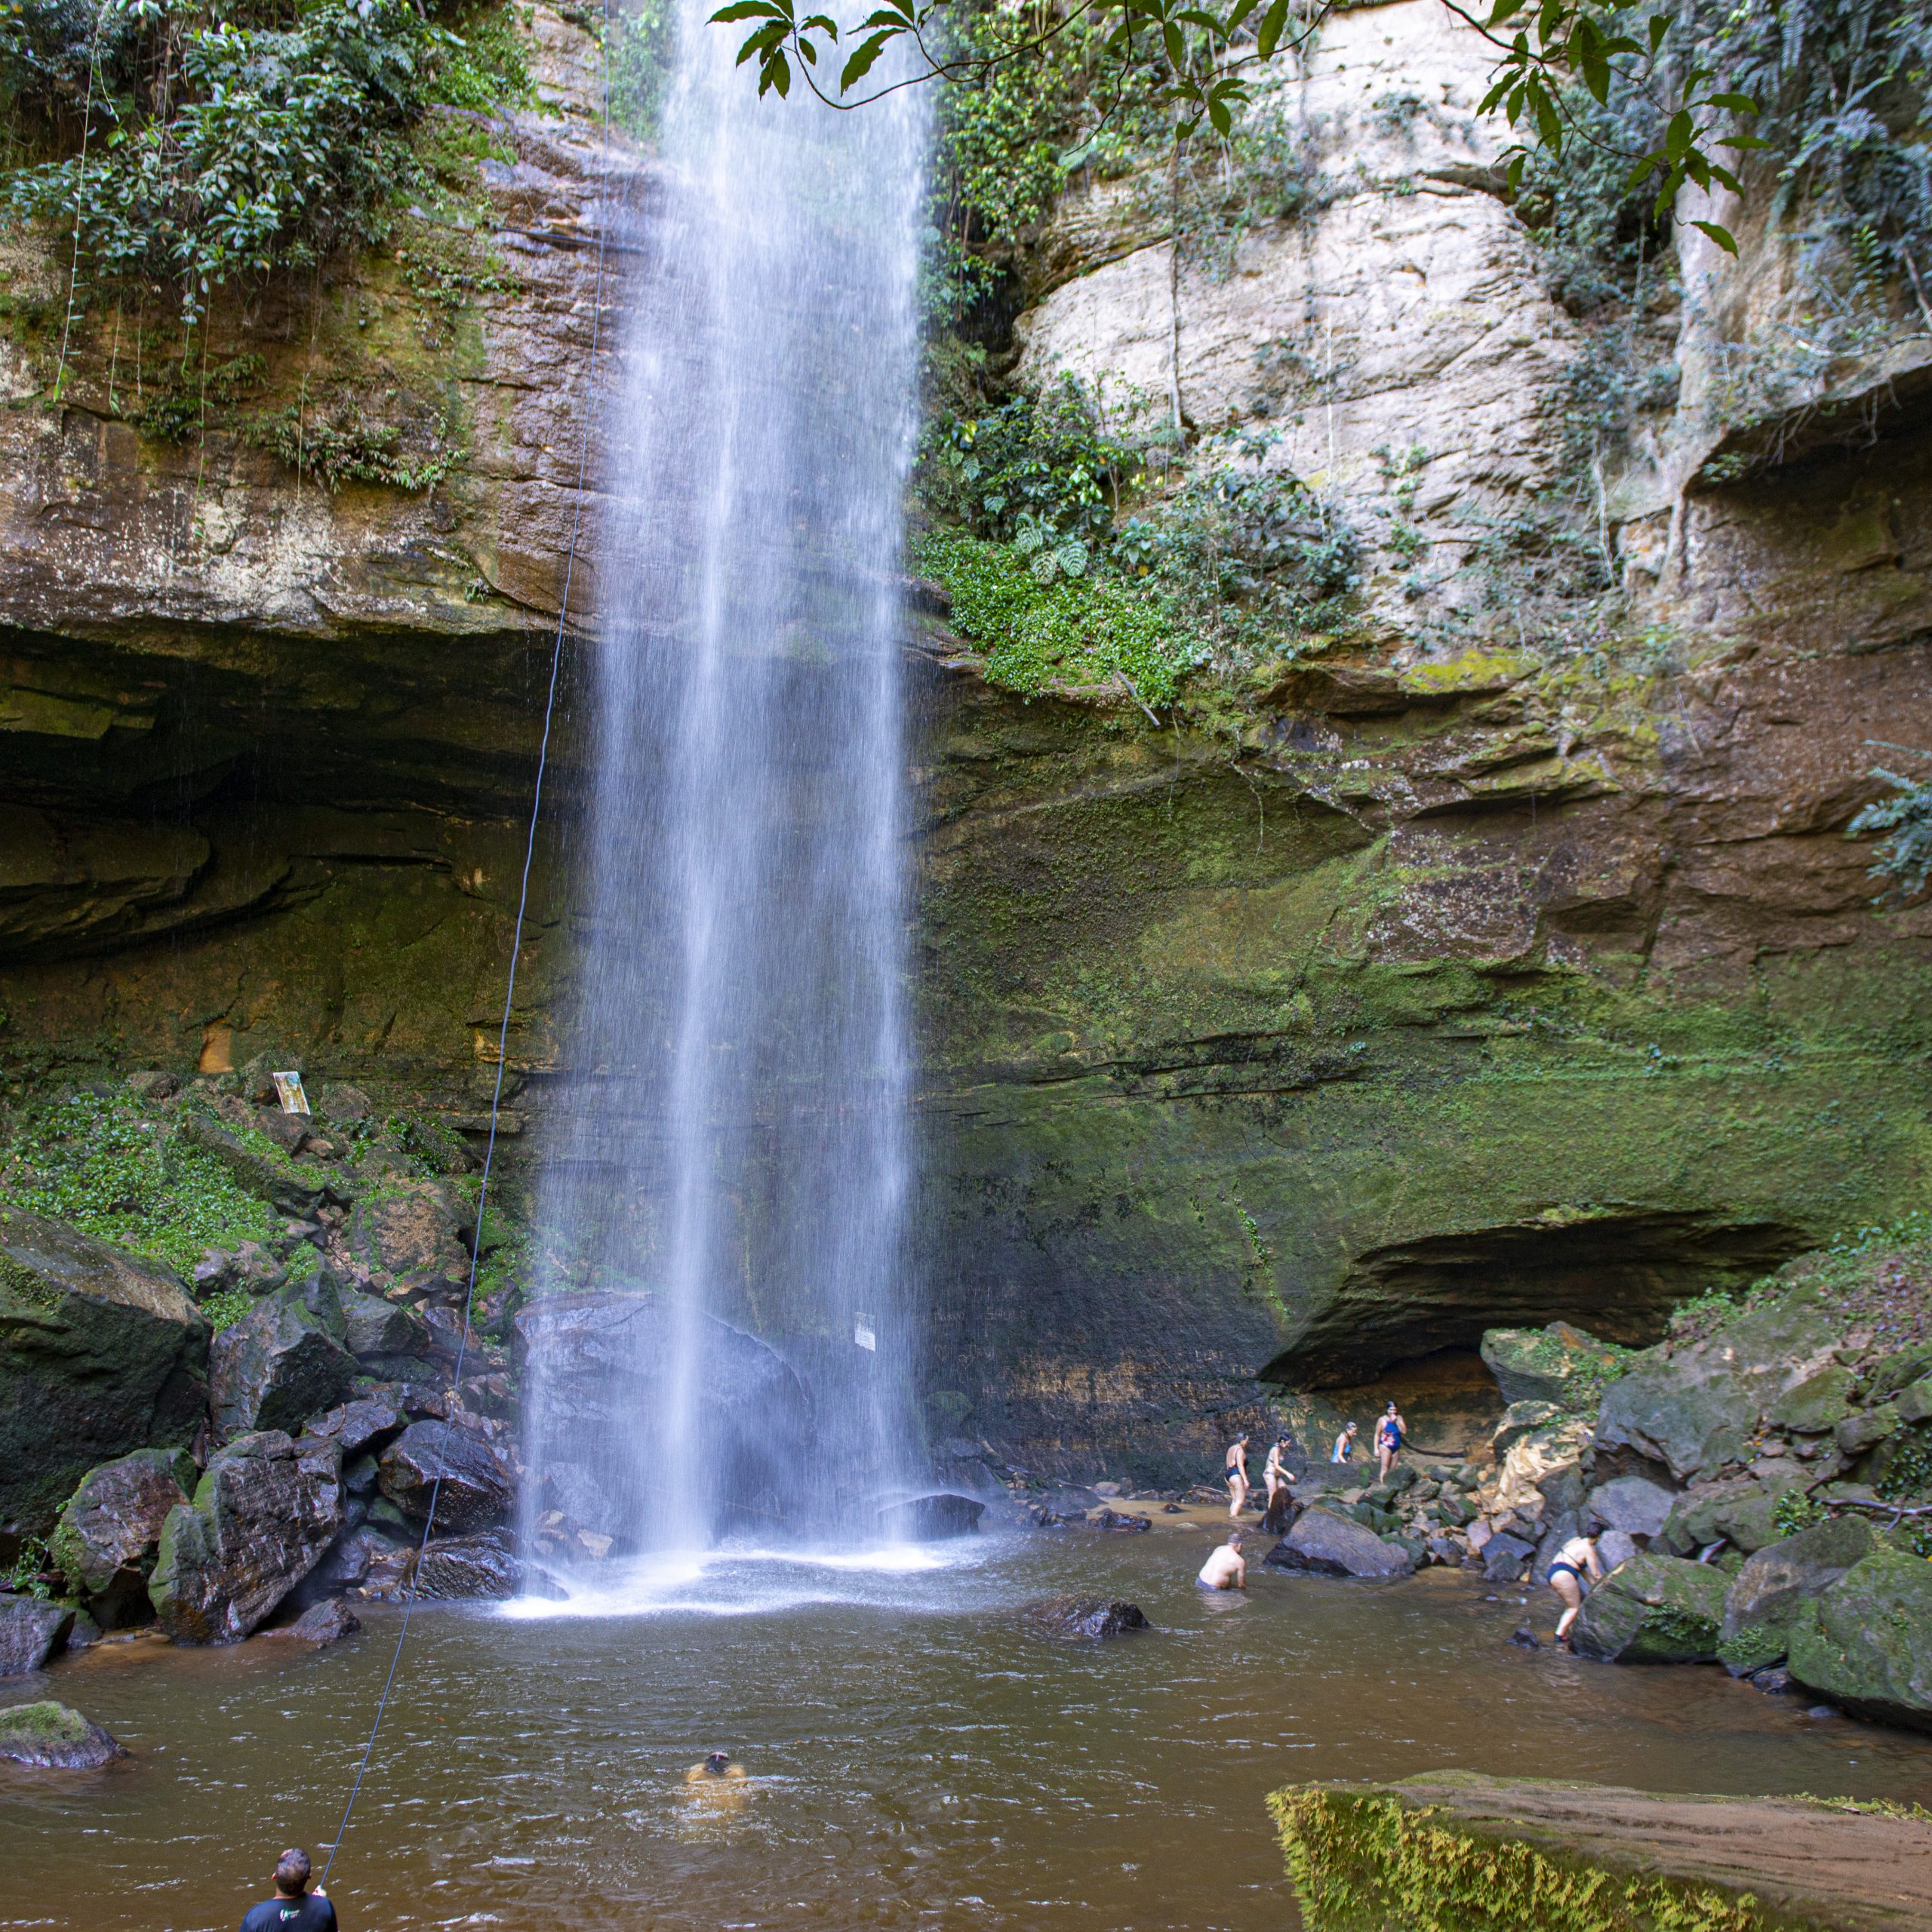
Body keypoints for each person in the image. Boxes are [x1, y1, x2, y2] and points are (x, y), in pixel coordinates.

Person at [239, 1850, 335, 1932]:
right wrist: (319, 1902)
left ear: (274, 1877)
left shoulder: (255, 1918)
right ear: (309, 1877)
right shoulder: (325, 1907)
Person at [1547, 1533, 1605, 1647]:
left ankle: (1565, 1632)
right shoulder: (1588, 1550)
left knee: (1570, 1605)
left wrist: (1594, 1585)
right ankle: (1559, 1636)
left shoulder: (1575, 1541)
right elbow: (1597, 1574)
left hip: (1553, 1572)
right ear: (1598, 1538)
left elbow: (1580, 1569)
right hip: (1563, 1575)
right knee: (1574, 1608)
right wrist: (1609, 1585)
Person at [1261, 1434, 1297, 1532]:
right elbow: (1276, 1465)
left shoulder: (1282, 1449)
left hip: (1276, 1476)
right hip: (1270, 1474)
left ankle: (1281, 1515)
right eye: (1288, 1443)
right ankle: (1268, 1523)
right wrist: (1288, 1474)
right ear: (1282, 1442)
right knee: (1273, 1497)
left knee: (1284, 1490)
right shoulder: (1276, 1449)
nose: (1289, 1445)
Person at [1197, 1527, 1247, 1591]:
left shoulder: (1219, 1549)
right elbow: (1241, 1585)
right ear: (1240, 1545)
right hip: (1213, 1588)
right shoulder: (1239, 1561)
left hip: (1199, 1581)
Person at [1374, 1403, 1406, 1482]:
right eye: (1391, 1410)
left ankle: (1391, 1487)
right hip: (1386, 1446)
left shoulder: (1399, 1418)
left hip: (1396, 1447)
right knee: (1385, 1468)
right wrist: (1376, 1449)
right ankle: (1383, 1486)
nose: (1393, 1411)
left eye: (1394, 1409)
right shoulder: (1382, 1420)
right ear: (1387, 1410)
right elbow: (1377, 1435)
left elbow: (1404, 1431)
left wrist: (1397, 1421)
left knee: (1393, 1469)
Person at [1224, 1432, 1251, 1518]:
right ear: (1241, 1441)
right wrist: (1246, 1480)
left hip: (1228, 1475)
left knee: (1235, 1500)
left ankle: (1232, 1518)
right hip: (1236, 1474)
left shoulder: (1230, 1448)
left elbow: (1227, 1464)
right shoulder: (1240, 1450)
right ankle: (1233, 1521)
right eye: (1246, 1441)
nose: (1247, 1443)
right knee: (1240, 1501)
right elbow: (1240, 1465)